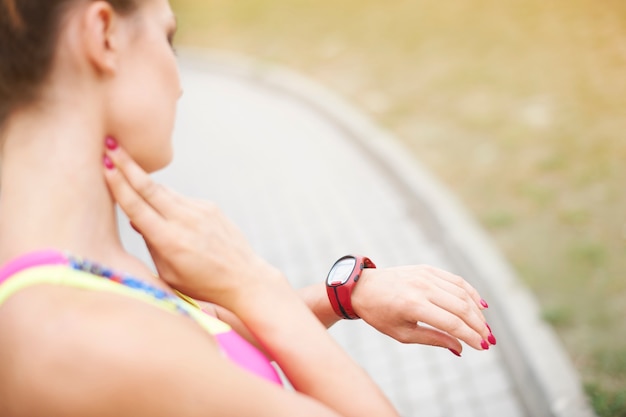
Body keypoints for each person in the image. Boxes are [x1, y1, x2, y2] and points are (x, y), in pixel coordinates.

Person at [0, 0, 496, 415]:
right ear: (104, 34)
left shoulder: (80, 277)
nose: (179, 82)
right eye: (168, 38)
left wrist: (345, 296)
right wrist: (256, 285)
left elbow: (211, 346)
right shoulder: (77, 338)